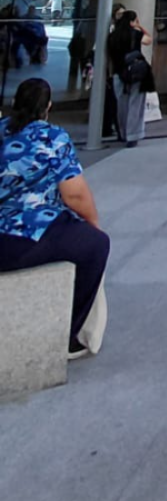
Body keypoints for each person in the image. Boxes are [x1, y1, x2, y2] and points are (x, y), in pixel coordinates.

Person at [0, 79, 110, 359]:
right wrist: (94, 223)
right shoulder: (52, 136)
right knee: (96, 245)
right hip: (28, 234)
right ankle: (68, 334)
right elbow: (74, 196)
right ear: (48, 107)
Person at [107, 10, 152, 147]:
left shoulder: (112, 36)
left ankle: (122, 132)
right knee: (135, 104)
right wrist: (140, 26)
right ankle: (133, 134)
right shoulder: (136, 34)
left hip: (118, 73)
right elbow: (149, 39)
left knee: (122, 104)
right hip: (136, 72)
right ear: (133, 21)